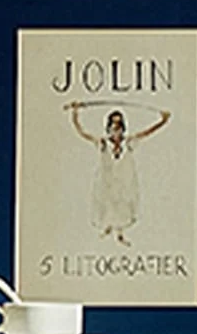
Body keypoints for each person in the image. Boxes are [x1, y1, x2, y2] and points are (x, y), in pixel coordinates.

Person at [65, 102, 171, 241]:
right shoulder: (102, 143)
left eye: (119, 128)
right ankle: (107, 227)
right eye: (113, 128)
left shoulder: (129, 142)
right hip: (106, 179)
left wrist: (163, 120)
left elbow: (148, 132)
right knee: (106, 200)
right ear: (108, 129)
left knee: (122, 203)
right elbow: (82, 133)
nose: (116, 132)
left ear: (123, 129)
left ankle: (120, 231)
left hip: (124, 179)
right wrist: (75, 114)